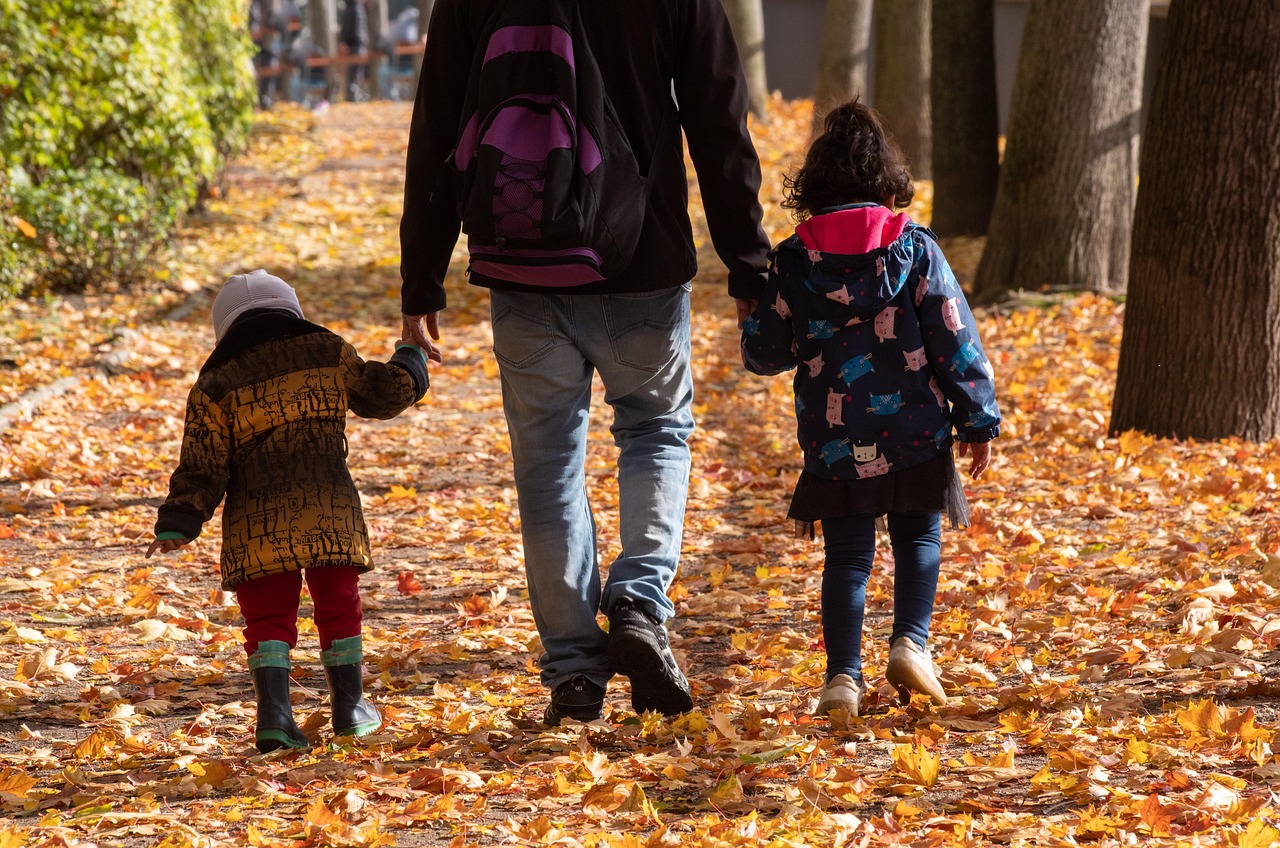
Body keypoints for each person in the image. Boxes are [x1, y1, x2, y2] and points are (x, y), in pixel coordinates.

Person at [398, 0, 771, 726]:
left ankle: (573, 672)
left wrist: (422, 277)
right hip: (644, 258)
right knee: (657, 430)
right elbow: (719, 121)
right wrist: (749, 267)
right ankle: (639, 600)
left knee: (547, 465)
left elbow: (438, 124)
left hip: (523, 263)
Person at [740, 100, 1001, 717]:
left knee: (849, 557)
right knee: (918, 538)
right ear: (885, 181)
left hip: (836, 438)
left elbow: (766, 354)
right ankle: (911, 642)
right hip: (915, 429)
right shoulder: (914, 249)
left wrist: (752, 315)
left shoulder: (794, 261)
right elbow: (953, 334)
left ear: (815, 185)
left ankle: (842, 679)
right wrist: (978, 419)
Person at [146, 270, 433, 752]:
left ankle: (275, 715)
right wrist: (411, 356)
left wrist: (180, 520)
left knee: (266, 614)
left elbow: (202, 464)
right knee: (338, 601)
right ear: (291, 310)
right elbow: (382, 394)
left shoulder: (215, 382)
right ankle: (350, 707)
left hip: (256, 523)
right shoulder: (327, 351)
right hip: (329, 509)